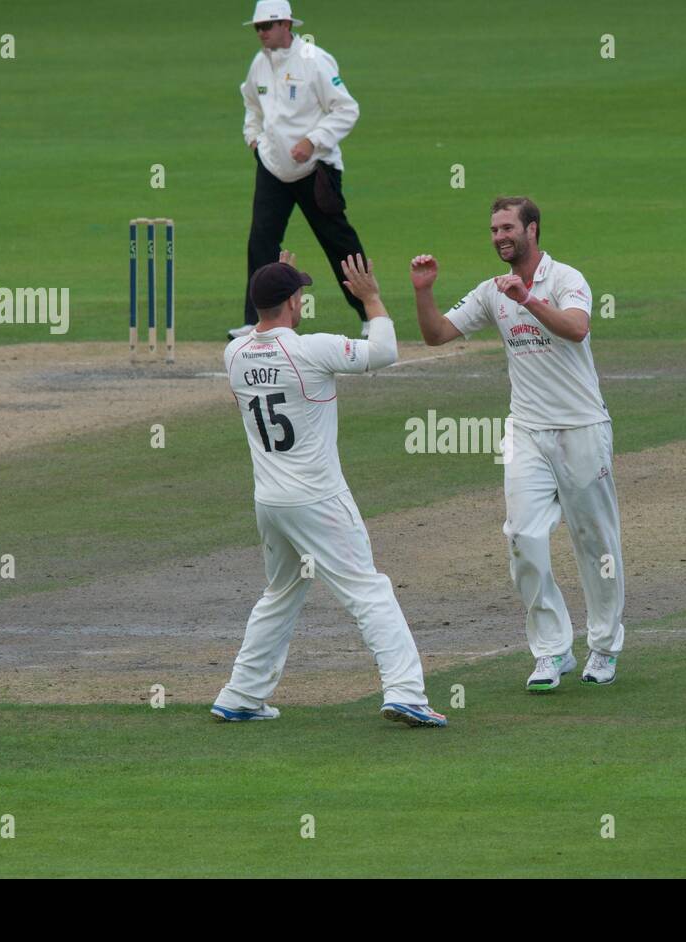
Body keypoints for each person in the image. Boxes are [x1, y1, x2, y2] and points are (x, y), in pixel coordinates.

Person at [211, 251, 447, 728]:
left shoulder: (233, 354)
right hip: (317, 499)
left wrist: (276, 281)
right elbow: (383, 352)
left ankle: (241, 694)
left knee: (282, 593)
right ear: (294, 302)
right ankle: (406, 693)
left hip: (270, 502)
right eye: (299, 294)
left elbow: (269, 336)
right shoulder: (309, 349)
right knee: (369, 590)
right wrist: (372, 300)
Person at [409, 197, 624, 692]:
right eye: (492, 229)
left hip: (582, 428)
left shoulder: (567, 279)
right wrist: (425, 292)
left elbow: (577, 328)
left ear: (532, 229)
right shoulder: (492, 290)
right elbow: (437, 334)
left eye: (507, 227)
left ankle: (605, 647)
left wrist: (526, 298)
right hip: (525, 431)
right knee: (523, 538)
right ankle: (551, 651)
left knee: (597, 544)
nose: (498, 236)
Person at [229, 1, 370, 340]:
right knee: (261, 241)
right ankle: (255, 321)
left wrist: (313, 140)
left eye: (268, 26)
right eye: (258, 28)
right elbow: (251, 103)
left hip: (315, 168)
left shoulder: (314, 59)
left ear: (287, 24)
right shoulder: (259, 64)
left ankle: (370, 314)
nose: (261, 33)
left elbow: (346, 109)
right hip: (273, 167)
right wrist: (254, 139)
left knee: (337, 241)